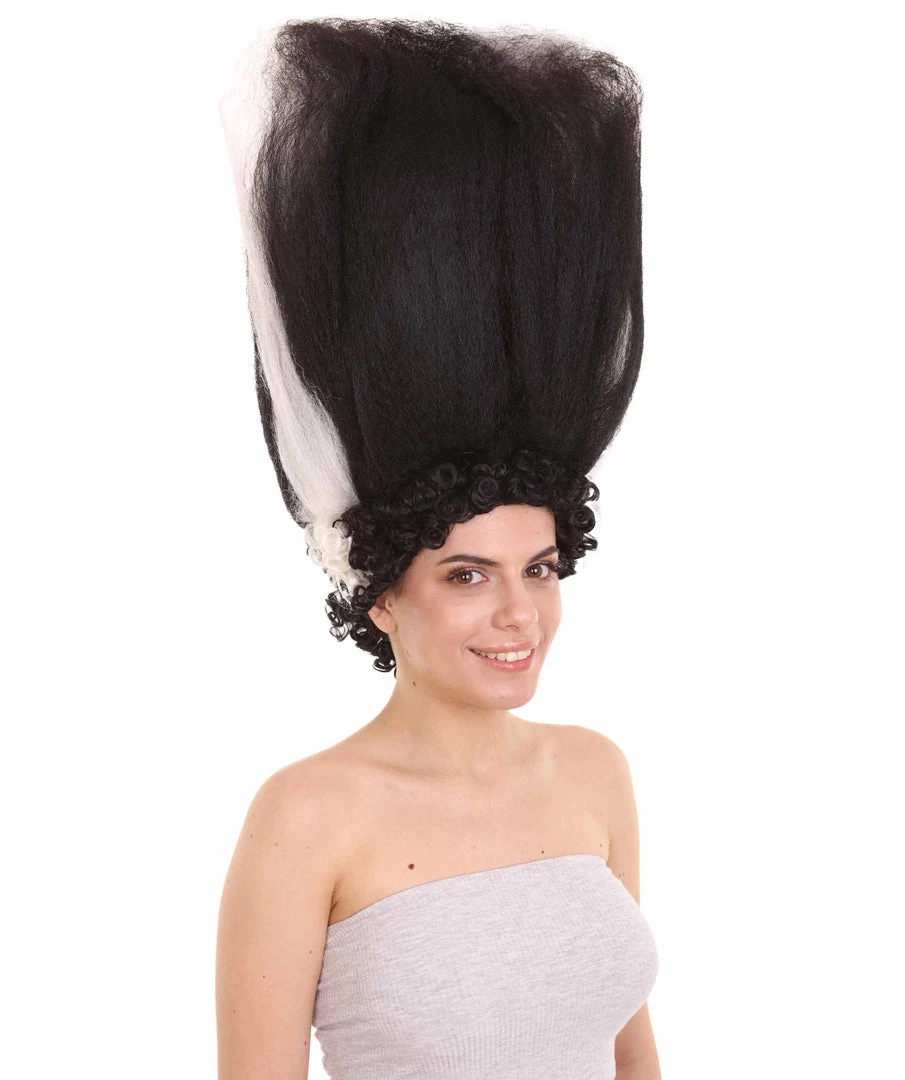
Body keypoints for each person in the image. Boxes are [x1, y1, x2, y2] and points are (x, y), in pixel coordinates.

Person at [216, 16, 660, 1080]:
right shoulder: (305, 816)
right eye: (466, 575)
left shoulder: (593, 772)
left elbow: (629, 1052)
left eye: (538, 568)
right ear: (380, 596)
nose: (518, 613)